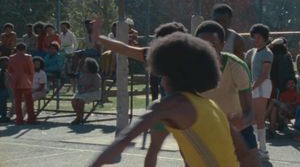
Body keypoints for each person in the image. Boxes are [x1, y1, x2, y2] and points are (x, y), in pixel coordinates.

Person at [90, 33, 259, 167]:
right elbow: (245, 154)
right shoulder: (212, 106)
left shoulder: (170, 106)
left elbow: (123, 140)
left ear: (169, 74)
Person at [195, 21, 261, 161]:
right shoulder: (188, 69)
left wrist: (239, 125)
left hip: (238, 129)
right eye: (202, 44)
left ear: (223, 44)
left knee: (253, 162)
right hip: (204, 130)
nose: (207, 49)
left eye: (212, 44)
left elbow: (250, 112)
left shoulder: (236, 66)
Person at [246, 24, 273, 158]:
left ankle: (263, 150)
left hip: (262, 85)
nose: (255, 39)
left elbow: (264, 74)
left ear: (265, 38)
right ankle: (257, 148)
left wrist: (252, 87)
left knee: (259, 118)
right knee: (254, 119)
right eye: (254, 37)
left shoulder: (267, 53)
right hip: (256, 85)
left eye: (258, 37)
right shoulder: (254, 51)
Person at [8, 43, 35, 125]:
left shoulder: (11, 57)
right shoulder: (28, 57)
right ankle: (31, 119)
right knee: (29, 101)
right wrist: (31, 80)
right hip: (26, 80)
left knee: (17, 101)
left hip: (15, 80)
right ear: (25, 49)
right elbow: (31, 70)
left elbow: (9, 70)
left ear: (16, 49)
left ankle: (19, 119)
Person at [71, 58, 101, 125]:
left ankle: (79, 118)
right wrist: (74, 81)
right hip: (82, 92)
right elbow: (79, 85)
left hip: (93, 92)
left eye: (85, 65)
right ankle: (79, 116)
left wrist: (87, 89)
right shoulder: (82, 75)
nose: (84, 66)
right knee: (74, 100)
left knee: (80, 101)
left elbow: (96, 87)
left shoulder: (96, 75)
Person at [0, 56, 11, 123]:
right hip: (2, 89)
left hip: (8, 90)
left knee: (2, 97)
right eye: (2, 63)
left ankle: (3, 116)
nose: (4, 64)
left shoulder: (10, 72)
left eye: (6, 63)